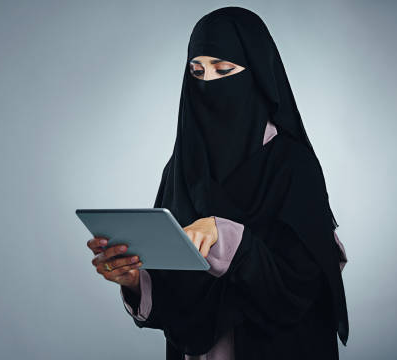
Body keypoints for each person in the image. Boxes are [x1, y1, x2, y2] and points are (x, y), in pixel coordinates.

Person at [86, 6, 349, 359]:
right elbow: (176, 290)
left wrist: (224, 236)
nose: (208, 84)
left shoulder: (292, 164)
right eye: (197, 71)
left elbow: (303, 286)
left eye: (223, 70)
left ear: (256, 74)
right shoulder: (181, 170)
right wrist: (134, 279)